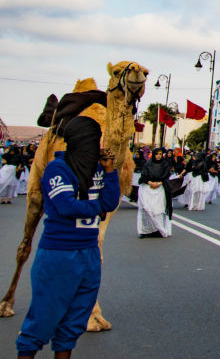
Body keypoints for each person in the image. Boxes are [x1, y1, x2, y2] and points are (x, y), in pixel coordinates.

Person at [15, 116, 120, 359]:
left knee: (73, 323)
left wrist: (110, 172)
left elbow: (111, 201)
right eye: (94, 140)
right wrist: (97, 207)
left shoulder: (97, 169)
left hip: (89, 254)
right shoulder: (57, 169)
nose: (98, 145)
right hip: (59, 254)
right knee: (41, 321)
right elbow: (66, 206)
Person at [137, 147, 173, 238]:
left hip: (160, 189)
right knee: (146, 209)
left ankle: (158, 230)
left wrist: (159, 183)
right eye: (157, 154)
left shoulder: (165, 164)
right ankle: (145, 231)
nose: (158, 156)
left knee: (158, 210)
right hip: (147, 188)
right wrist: (150, 183)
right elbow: (143, 176)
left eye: (160, 154)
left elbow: (166, 176)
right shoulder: (148, 164)